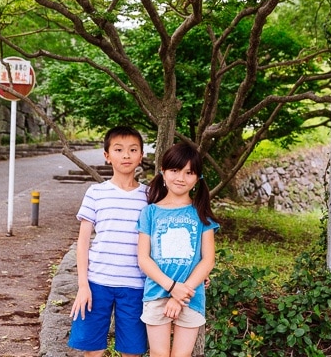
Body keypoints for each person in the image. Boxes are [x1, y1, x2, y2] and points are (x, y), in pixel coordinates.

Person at [68, 126, 148, 357]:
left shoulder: (149, 196)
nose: (126, 155)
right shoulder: (96, 192)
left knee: (132, 351)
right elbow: (83, 243)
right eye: (119, 149)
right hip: (97, 284)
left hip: (136, 286)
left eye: (133, 150)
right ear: (107, 155)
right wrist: (83, 286)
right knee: (93, 350)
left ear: (141, 155)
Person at [137, 142, 220, 357]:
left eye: (189, 172)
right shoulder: (150, 213)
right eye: (174, 170)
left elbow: (208, 260)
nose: (181, 178)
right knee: (159, 354)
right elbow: (144, 259)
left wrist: (180, 296)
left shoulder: (202, 214)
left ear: (197, 178)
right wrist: (171, 287)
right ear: (163, 172)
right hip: (156, 293)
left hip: (191, 296)